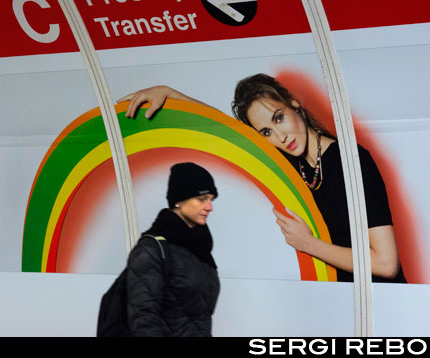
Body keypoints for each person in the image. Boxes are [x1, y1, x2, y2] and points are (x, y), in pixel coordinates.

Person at [118, 74, 406, 283]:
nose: (280, 137)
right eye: (266, 132)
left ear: (294, 104)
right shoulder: (291, 163)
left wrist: (308, 245)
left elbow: (385, 262)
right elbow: (226, 129)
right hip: (337, 302)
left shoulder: (351, 159)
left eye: (279, 118)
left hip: (382, 307)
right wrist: (168, 92)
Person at [126, 162, 220, 336]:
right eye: (201, 199)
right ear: (178, 200)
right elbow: (143, 319)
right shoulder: (152, 250)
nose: (209, 207)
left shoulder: (200, 249)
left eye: (211, 199)